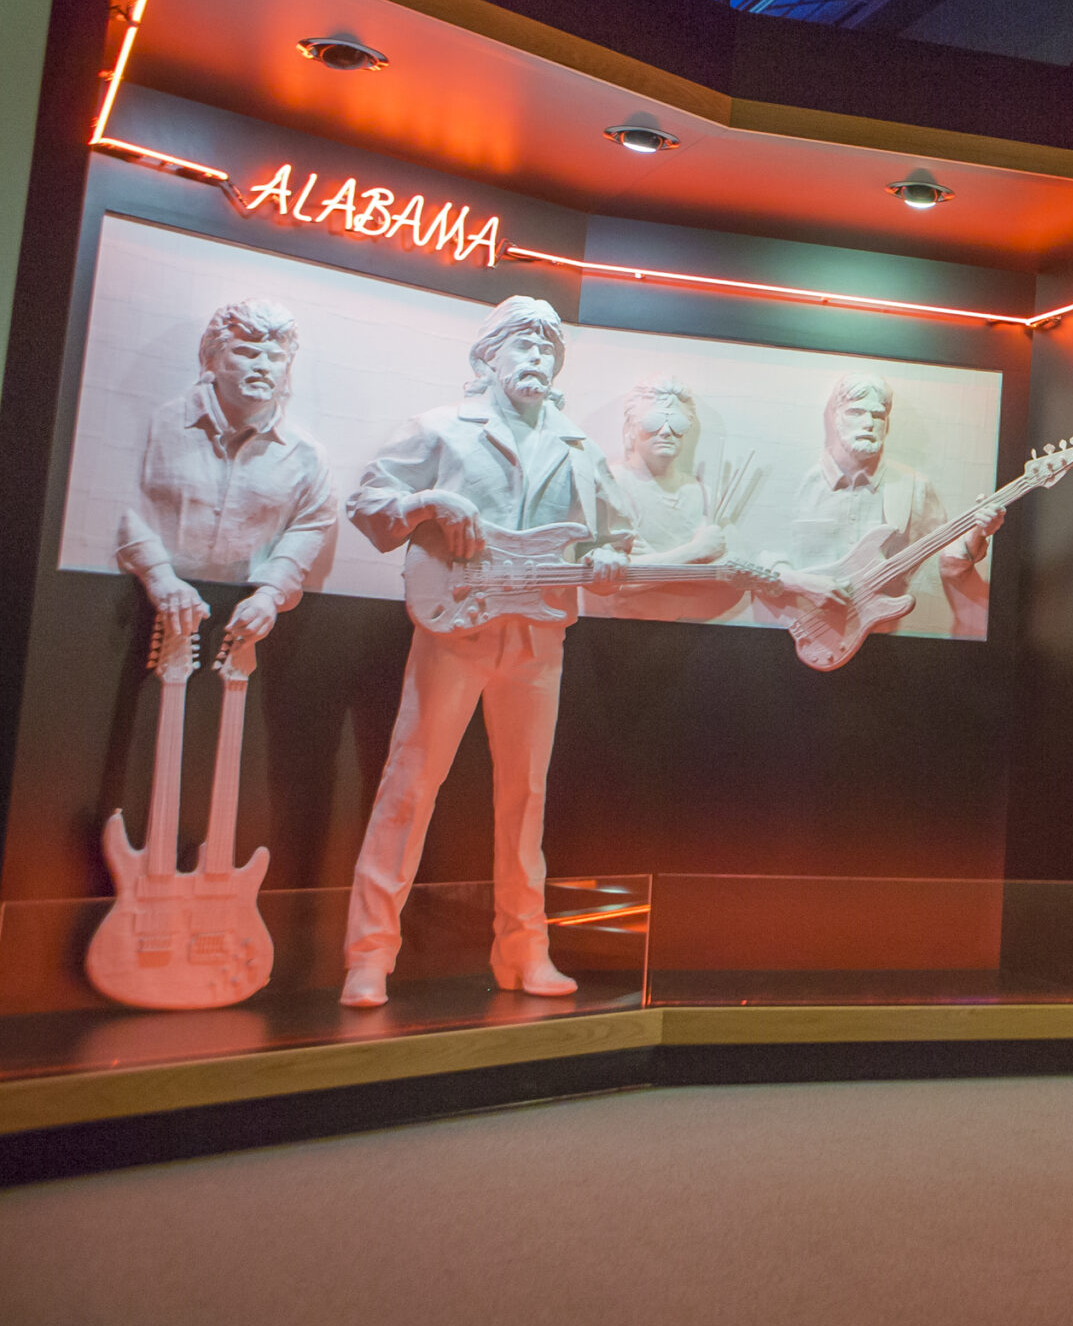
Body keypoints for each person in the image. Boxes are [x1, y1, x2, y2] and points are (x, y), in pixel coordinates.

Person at [338, 296, 627, 1009]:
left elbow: (617, 534)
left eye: (548, 349)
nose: (536, 359)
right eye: (522, 346)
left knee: (526, 798)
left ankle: (525, 948)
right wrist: (430, 500)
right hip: (455, 628)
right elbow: (369, 501)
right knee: (410, 785)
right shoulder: (441, 429)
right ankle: (368, 955)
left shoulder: (579, 448)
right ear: (488, 355)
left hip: (538, 637)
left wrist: (612, 558)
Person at [114, 298, 336, 647]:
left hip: (245, 619)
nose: (264, 366)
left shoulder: (306, 454)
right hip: (133, 606)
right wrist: (158, 575)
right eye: (247, 352)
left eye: (276, 358)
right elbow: (121, 500)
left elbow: (310, 525)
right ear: (212, 359)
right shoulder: (159, 426)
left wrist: (270, 594)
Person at [765, 372, 999, 636]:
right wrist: (802, 583)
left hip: (888, 639)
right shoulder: (802, 483)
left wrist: (978, 532)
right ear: (835, 417)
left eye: (878, 416)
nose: (868, 423)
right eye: (855, 412)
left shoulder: (914, 487)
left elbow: (943, 564)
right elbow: (760, 558)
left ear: (887, 425)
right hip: (805, 633)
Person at [601, 374, 740, 621]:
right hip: (625, 631)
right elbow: (615, 580)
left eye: (677, 422)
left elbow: (735, 572)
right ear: (631, 429)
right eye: (654, 420)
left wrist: (652, 567)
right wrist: (697, 552)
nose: (666, 431)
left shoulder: (704, 493)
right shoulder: (610, 484)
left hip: (698, 632)